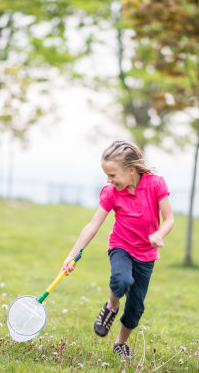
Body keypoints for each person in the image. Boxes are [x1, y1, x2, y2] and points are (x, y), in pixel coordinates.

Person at [62, 140, 174, 359]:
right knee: (121, 280)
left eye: (112, 175)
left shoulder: (155, 184)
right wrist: (72, 255)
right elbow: (93, 225)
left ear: (131, 170)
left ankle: (120, 343)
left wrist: (159, 234)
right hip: (121, 246)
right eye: (107, 175)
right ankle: (111, 307)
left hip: (146, 255)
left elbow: (169, 219)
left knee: (135, 308)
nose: (109, 180)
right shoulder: (111, 192)